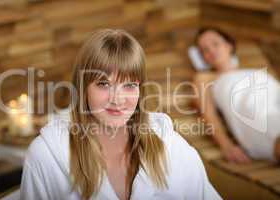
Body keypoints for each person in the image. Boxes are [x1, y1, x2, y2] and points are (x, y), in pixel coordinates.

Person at [20, 29, 221, 200]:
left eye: (130, 85)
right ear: (82, 88)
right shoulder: (46, 157)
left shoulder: (172, 147)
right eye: (103, 84)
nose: (117, 99)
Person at [193, 27, 280, 164]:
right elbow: (207, 113)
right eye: (204, 50)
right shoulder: (205, 78)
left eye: (215, 44)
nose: (211, 51)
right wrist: (226, 146)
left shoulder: (252, 70)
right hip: (257, 116)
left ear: (229, 45)